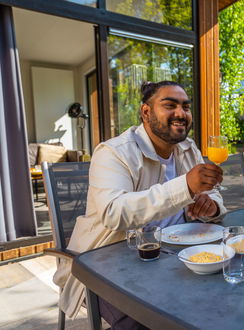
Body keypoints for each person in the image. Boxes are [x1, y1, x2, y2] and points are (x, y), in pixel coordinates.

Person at [53, 81, 226, 329]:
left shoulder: (188, 149)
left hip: (177, 253)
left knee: (227, 289)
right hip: (111, 262)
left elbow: (213, 191)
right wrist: (185, 187)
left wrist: (212, 206)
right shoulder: (114, 153)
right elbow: (114, 212)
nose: (181, 113)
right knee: (151, 320)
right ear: (146, 112)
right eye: (170, 105)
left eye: (186, 107)